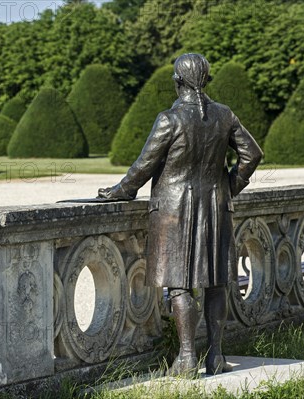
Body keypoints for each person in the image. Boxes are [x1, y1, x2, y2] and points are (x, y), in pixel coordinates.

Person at [98, 53, 263, 377]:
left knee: (180, 286)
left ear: (177, 82)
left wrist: (122, 190)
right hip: (215, 207)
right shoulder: (224, 115)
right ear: (207, 81)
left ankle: (187, 359)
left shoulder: (169, 120)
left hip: (175, 212)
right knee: (216, 283)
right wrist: (230, 186)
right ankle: (215, 355)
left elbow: (144, 166)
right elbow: (252, 154)